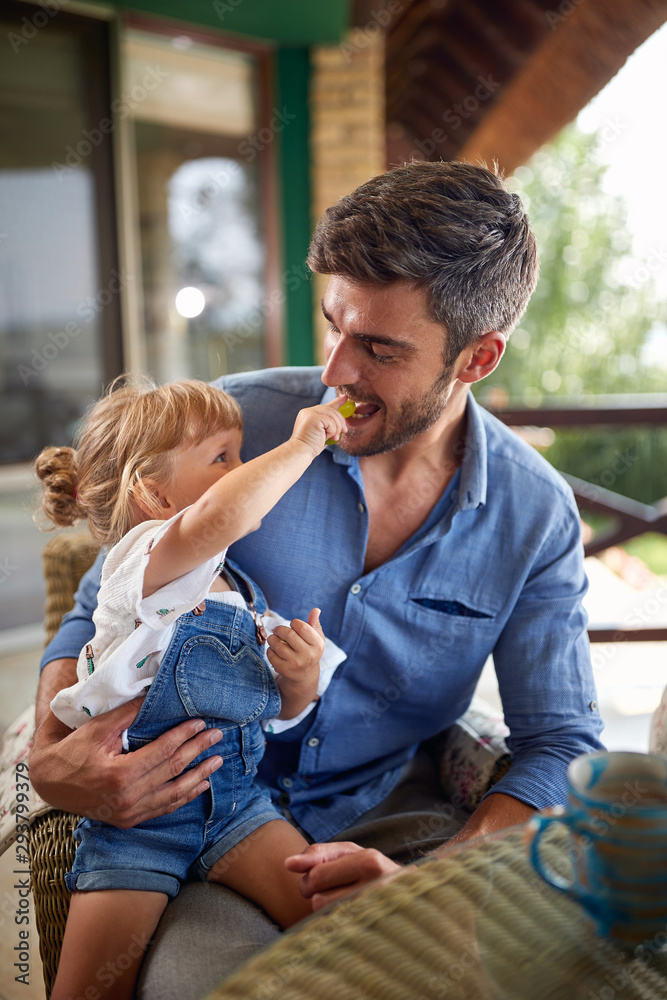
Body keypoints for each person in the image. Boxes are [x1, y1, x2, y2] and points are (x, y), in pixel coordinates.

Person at [31, 160, 605, 999]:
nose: (335, 369)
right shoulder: (231, 430)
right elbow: (96, 609)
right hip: (191, 821)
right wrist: (50, 764)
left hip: (402, 828)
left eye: (378, 348)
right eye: (333, 322)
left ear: (476, 357)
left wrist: (433, 883)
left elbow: (558, 743)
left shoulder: (534, 516)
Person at [34, 378, 349, 1000]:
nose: (241, 468)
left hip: (238, 808)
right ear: (153, 493)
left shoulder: (234, 586)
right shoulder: (144, 565)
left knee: (335, 919)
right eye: (222, 457)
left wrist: (299, 678)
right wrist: (304, 443)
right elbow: (226, 513)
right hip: (138, 821)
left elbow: (277, 710)